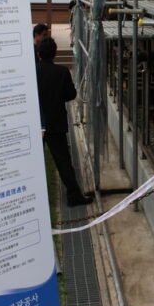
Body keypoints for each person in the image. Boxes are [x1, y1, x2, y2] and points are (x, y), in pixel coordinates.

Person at [35, 37, 93, 206]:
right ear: (54, 54)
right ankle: (73, 196)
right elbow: (71, 95)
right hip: (56, 123)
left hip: (37, 122)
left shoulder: (33, 71)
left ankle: (33, 199)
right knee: (63, 162)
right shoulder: (62, 72)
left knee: (32, 160)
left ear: (38, 54)